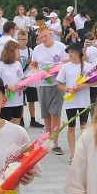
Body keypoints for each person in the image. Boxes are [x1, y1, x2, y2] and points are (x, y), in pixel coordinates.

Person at [28, 25, 68, 155]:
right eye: (41, 37)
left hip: (58, 84)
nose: (44, 39)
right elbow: (32, 65)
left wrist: (60, 70)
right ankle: (48, 140)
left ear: (51, 35)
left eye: (45, 36)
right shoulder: (37, 50)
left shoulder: (61, 47)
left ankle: (55, 143)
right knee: (46, 113)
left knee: (55, 112)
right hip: (44, 84)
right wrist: (39, 72)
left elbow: (68, 61)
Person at [55, 43, 96, 162]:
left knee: (84, 126)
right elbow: (59, 84)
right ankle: (73, 154)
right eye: (69, 52)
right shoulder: (65, 67)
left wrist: (84, 85)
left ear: (78, 52)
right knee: (71, 126)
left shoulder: (88, 66)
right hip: (70, 101)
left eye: (72, 52)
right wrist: (68, 89)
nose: (70, 54)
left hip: (83, 101)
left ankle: (83, 153)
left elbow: (96, 82)